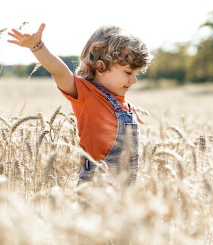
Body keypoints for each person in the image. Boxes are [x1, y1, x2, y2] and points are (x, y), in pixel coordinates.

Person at [7, 23, 152, 185]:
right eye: (128, 72)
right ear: (101, 66)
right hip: (96, 184)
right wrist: (37, 46)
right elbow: (59, 72)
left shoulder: (123, 104)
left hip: (125, 187)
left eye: (136, 73)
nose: (134, 80)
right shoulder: (86, 94)